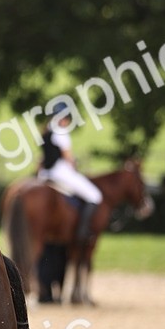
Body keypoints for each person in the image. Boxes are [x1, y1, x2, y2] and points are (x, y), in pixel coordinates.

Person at [38, 101, 103, 246]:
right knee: (95, 196)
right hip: (60, 172)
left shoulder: (46, 130)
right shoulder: (61, 132)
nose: (67, 121)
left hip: (44, 174)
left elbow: (42, 158)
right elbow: (68, 158)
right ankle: (82, 231)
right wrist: (76, 164)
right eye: (66, 118)